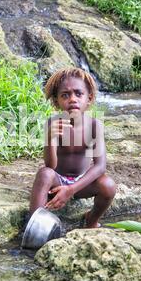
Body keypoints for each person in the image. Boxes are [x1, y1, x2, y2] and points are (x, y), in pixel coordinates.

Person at [29, 67, 116, 228]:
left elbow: (100, 166)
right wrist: (50, 138)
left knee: (108, 185)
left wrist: (71, 189)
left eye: (78, 93)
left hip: (83, 183)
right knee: (44, 174)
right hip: (57, 181)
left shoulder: (95, 126)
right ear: (56, 102)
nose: (73, 99)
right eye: (65, 95)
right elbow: (51, 166)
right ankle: (34, 225)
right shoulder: (54, 124)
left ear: (89, 98)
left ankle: (91, 220)